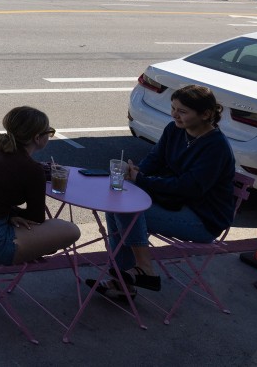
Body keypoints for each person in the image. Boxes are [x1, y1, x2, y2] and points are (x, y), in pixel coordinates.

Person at [89, 85, 236, 299]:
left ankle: (143, 268)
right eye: (174, 108)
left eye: (183, 111)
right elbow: (155, 159)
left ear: (206, 114)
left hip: (204, 218)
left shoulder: (216, 147)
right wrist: (137, 170)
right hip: (175, 203)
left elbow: (189, 188)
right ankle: (124, 281)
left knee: (128, 209)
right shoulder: (175, 129)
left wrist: (142, 179)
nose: (175, 114)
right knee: (117, 206)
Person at [0, 106, 81, 265]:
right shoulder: (32, 170)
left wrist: (12, 214)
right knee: (70, 230)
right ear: (37, 138)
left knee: (47, 232)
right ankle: (29, 251)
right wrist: (15, 214)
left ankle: (31, 248)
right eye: (49, 132)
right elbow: (36, 218)